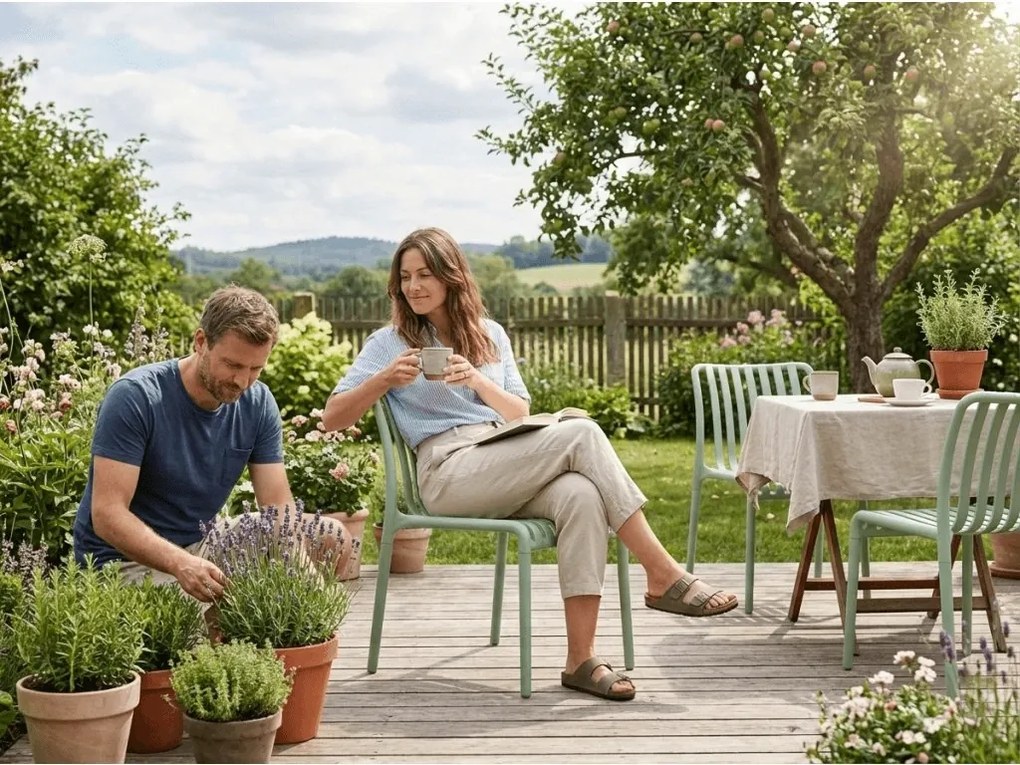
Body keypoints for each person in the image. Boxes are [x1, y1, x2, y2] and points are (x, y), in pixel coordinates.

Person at [322, 227, 737, 701]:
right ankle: (663, 573)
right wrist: (384, 379)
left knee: (581, 495)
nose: (413, 286)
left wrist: (478, 380)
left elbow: (518, 410)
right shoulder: (388, 342)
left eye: (424, 274)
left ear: (451, 275)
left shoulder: (489, 333)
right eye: (405, 276)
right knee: (581, 432)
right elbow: (334, 417)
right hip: (448, 471)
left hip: (504, 452)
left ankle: (580, 659)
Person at [73, 285, 349, 603]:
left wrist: (307, 583)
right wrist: (181, 564)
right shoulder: (137, 397)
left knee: (331, 540)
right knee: (193, 619)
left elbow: (277, 508)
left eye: (255, 369)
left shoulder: (257, 403)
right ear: (201, 341)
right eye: (232, 365)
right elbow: (107, 515)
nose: (242, 381)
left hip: (201, 545)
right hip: (124, 562)